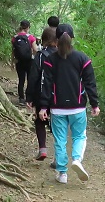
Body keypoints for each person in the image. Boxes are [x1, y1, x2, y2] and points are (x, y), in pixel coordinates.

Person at [39, 24, 100, 184]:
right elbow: (90, 83)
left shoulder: (50, 60)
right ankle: (77, 159)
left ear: (56, 39)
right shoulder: (82, 58)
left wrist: (43, 107)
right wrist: (94, 104)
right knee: (79, 136)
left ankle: (62, 174)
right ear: (72, 38)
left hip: (57, 108)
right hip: (78, 107)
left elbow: (46, 84)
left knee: (60, 140)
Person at [26, 27, 58, 160]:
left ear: (44, 40)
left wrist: (29, 96)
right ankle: (58, 157)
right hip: (58, 96)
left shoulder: (40, 56)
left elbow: (33, 77)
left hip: (41, 94)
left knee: (40, 121)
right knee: (58, 125)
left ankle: (43, 149)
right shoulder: (63, 55)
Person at [11, 20, 37, 105]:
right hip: (29, 61)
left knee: (21, 80)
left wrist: (12, 62)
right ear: (28, 27)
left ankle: (21, 99)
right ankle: (29, 98)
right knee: (30, 80)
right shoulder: (31, 37)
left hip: (19, 62)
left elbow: (13, 51)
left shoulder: (15, 38)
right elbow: (35, 50)